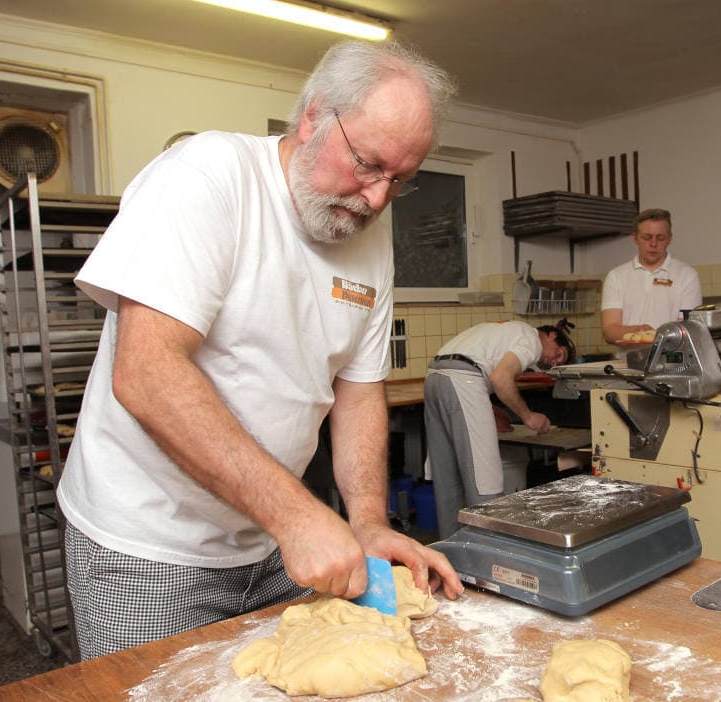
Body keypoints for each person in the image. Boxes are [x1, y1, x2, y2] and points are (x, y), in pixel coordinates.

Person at [56, 40, 462, 660]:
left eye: (400, 180)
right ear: (313, 116)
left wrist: (368, 520)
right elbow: (145, 372)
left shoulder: (370, 236)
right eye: (367, 164)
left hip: (269, 537)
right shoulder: (207, 177)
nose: (377, 199)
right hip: (147, 544)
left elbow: (357, 390)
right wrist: (298, 517)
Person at [423, 319, 576, 538]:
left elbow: (478, 366)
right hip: (464, 380)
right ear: (552, 335)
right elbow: (500, 379)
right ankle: (491, 555)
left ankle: (450, 554)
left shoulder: (507, 331)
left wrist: (491, 410)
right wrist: (528, 416)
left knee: (447, 477)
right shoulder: (532, 338)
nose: (552, 361)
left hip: (434, 377)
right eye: (558, 354)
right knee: (485, 479)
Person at [601, 208, 702, 344]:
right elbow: (609, 330)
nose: (653, 244)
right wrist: (639, 330)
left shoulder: (687, 275)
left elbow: (689, 328)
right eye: (647, 237)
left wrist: (657, 337)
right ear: (635, 238)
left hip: (672, 361)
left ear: (669, 239)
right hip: (627, 362)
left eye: (660, 238)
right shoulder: (616, 277)